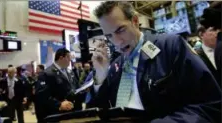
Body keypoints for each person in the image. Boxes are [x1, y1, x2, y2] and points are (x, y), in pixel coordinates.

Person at [86, 2, 221, 123]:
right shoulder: (116, 66)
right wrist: (100, 75)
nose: (117, 42)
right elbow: (96, 113)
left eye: (120, 30)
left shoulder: (171, 46)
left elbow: (209, 106)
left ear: (134, 20)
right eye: (109, 36)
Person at [35, 48, 83, 123]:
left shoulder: (70, 72)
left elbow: (75, 87)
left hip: (71, 112)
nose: (70, 60)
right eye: (68, 57)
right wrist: (59, 104)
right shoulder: (47, 73)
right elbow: (41, 95)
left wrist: (82, 90)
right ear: (61, 58)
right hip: (56, 114)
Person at [200, 8, 221, 86]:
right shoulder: (196, 56)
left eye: (219, 29)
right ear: (202, 34)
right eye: (213, 30)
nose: (217, 33)